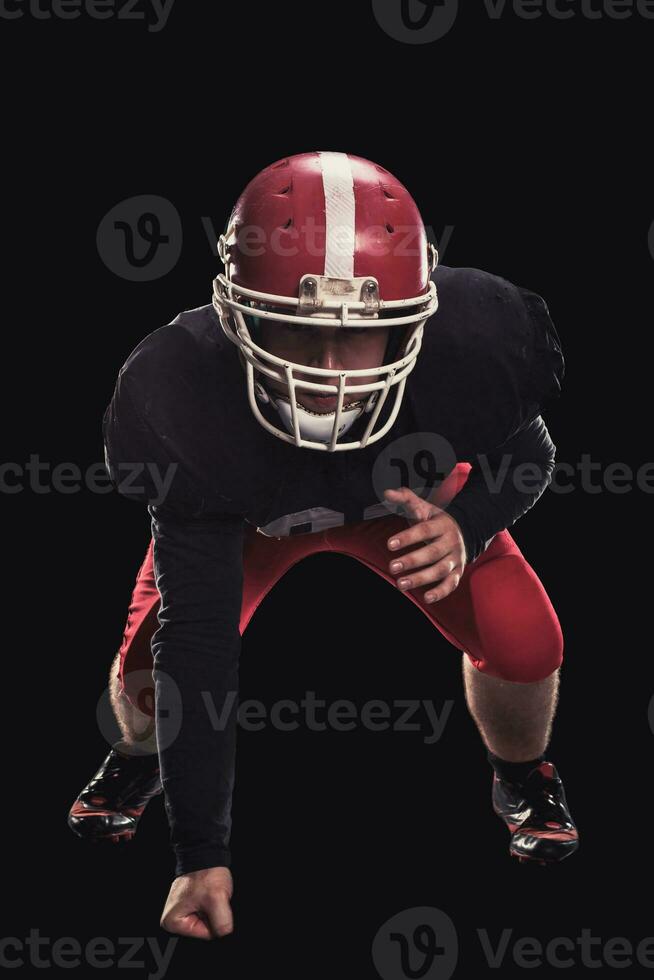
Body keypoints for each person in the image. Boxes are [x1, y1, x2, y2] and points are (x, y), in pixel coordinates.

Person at [68, 151, 578, 942]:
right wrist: (200, 851)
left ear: (419, 317)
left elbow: (530, 455)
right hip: (250, 518)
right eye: (299, 332)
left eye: (363, 336)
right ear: (238, 316)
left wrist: (465, 523)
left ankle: (522, 777)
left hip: (404, 504)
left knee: (525, 638)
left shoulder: (475, 342)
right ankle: (140, 761)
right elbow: (200, 644)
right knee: (146, 677)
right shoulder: (178, 391)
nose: (329, 372)